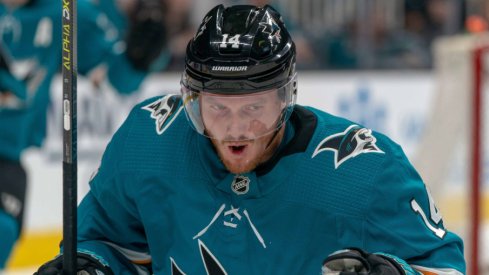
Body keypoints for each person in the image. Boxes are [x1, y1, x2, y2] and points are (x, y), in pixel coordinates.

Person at [36, 4, 465, 274]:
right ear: (192, 99)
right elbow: (107, 242)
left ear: (286, 98)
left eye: (254, 108)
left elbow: (443, 266)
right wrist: (90, 266)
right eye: (218, 107)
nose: (236, 128)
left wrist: (395, 271)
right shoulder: (149, 141)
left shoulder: (365, 170)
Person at [0, 0, 165, 268]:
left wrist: (138, 59)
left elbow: (117, 80)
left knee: (2, 231)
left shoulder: (66, 12)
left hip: (5, 157)